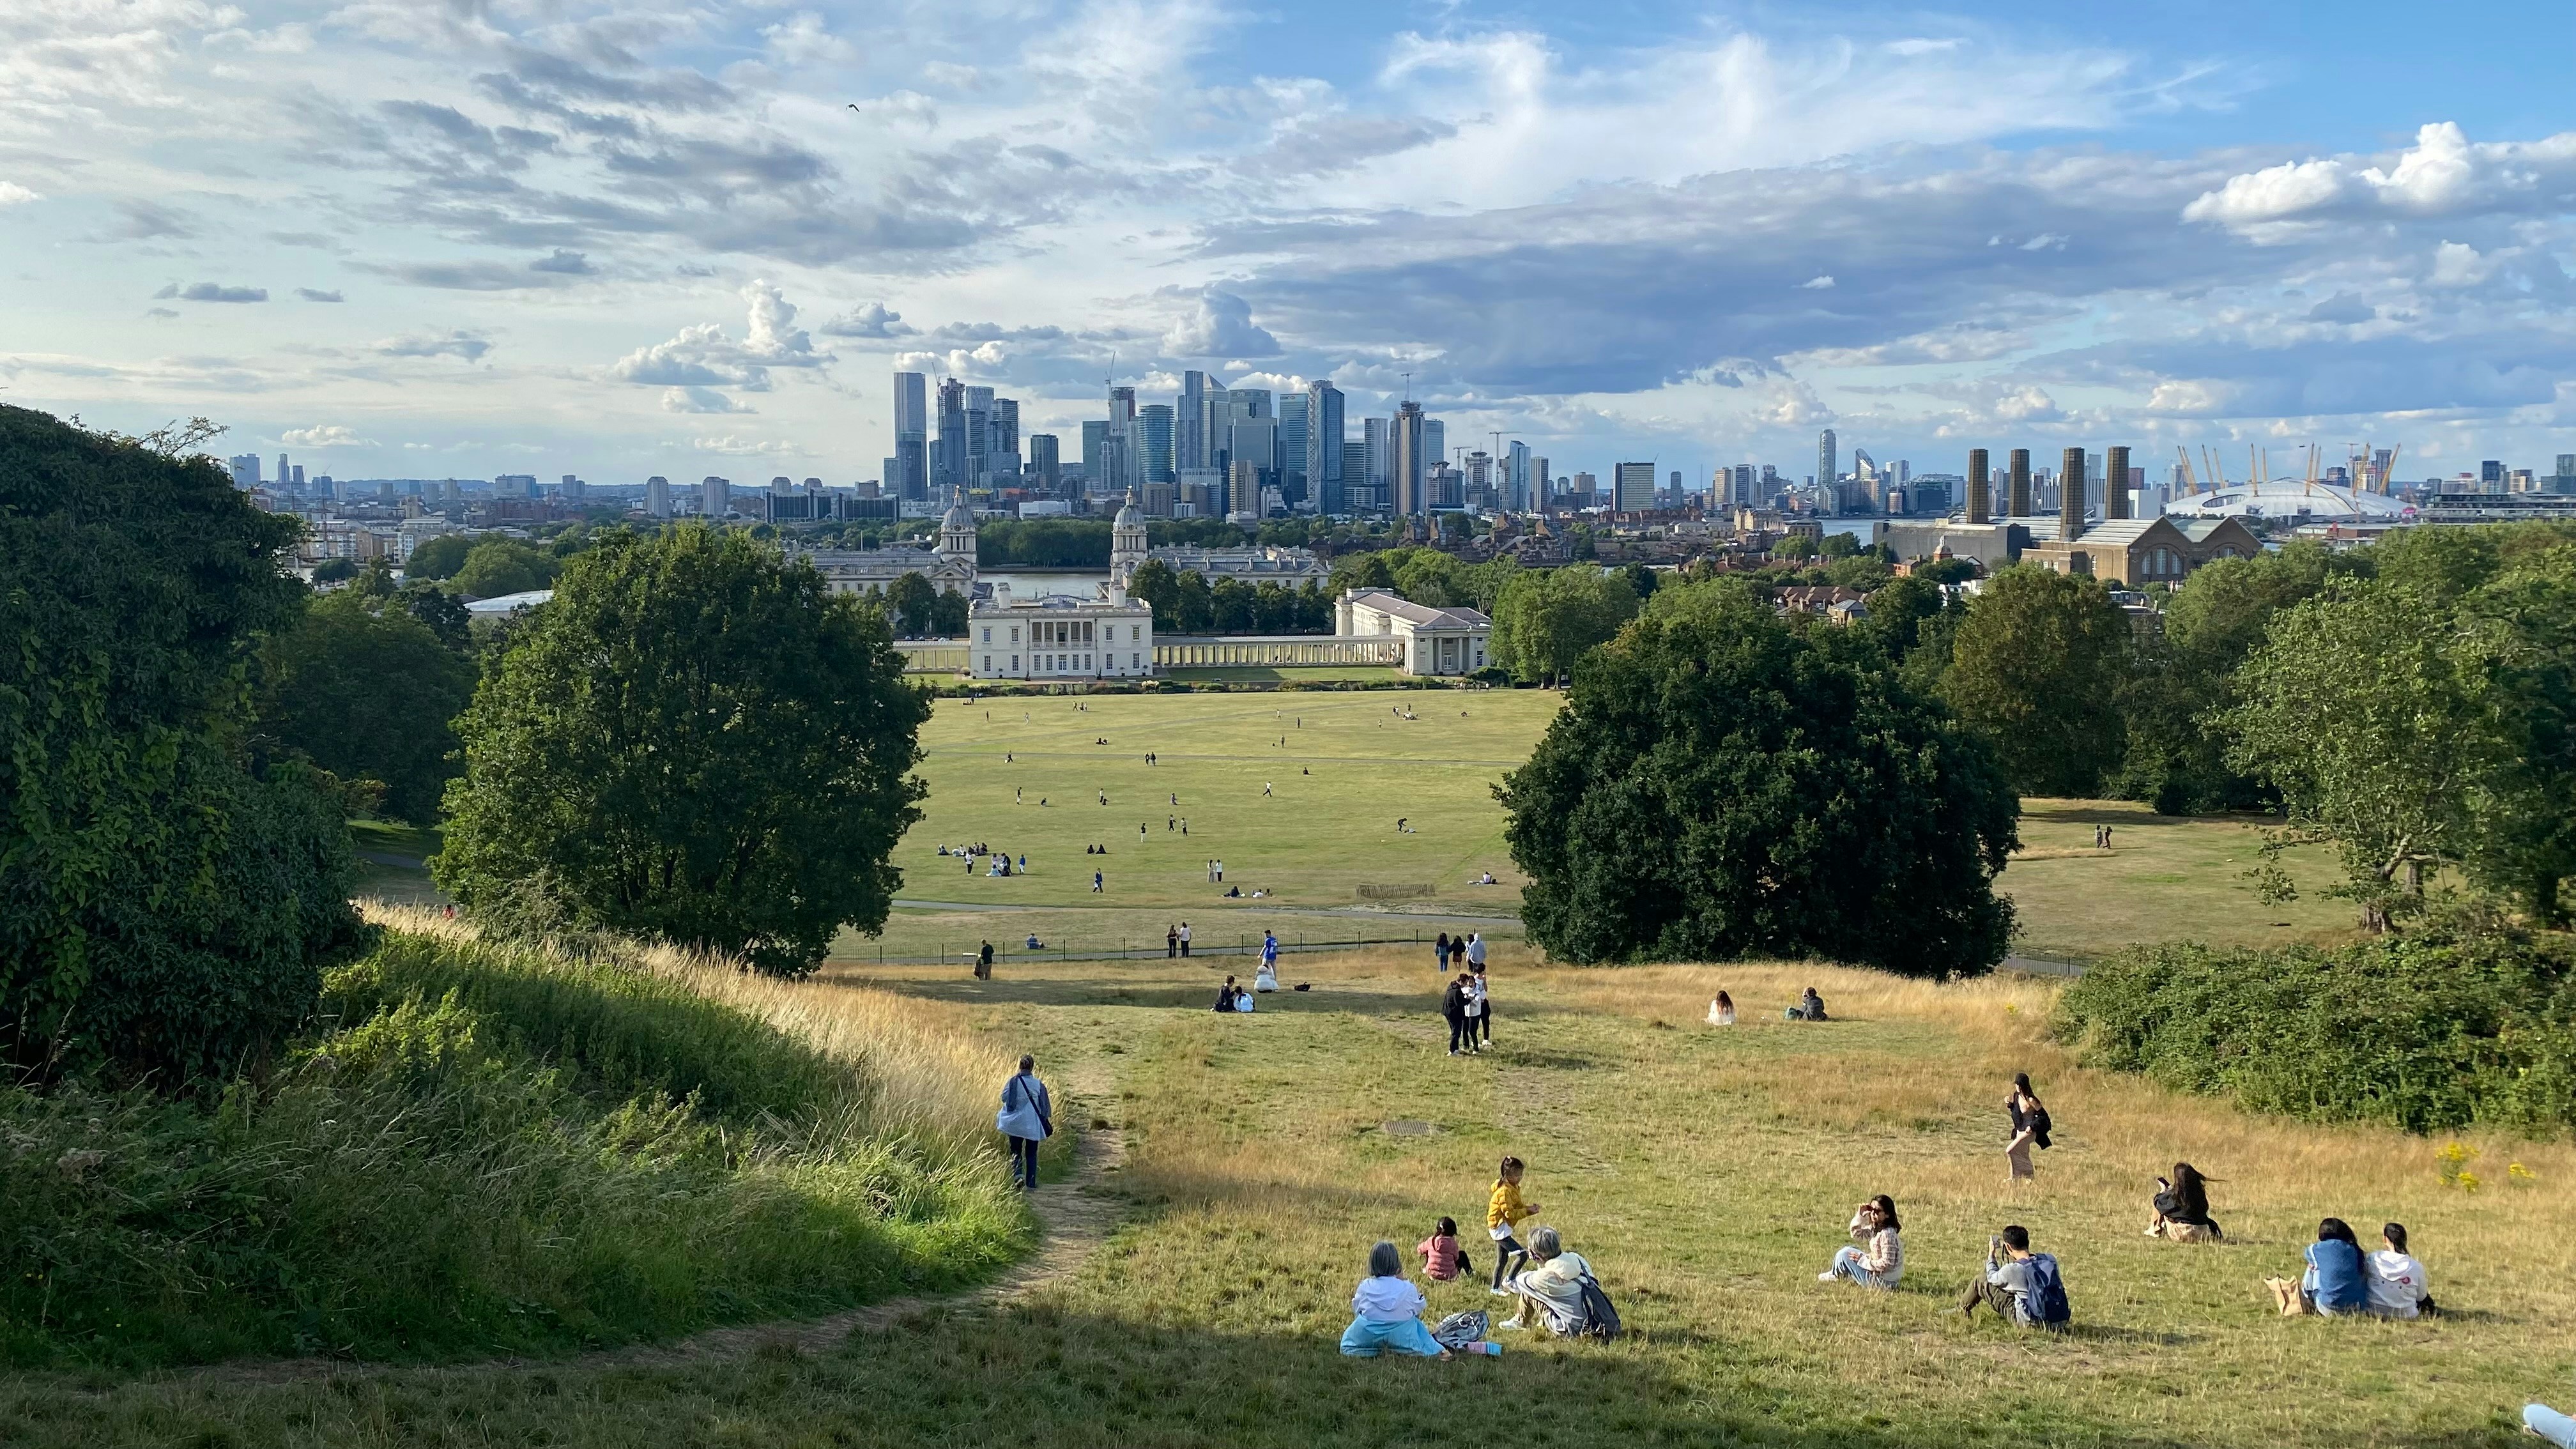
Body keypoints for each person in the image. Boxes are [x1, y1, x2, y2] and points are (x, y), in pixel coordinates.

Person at [1341, 1241, 1491, 1358]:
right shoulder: (1407, 1288)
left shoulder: (1365, 1287)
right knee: (1415, 1323)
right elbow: (1417, 1311)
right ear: (1396, 1263)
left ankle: (1371, 1346)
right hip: (1403, 1336)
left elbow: (1358, 1310)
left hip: (1368, 1335)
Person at [1957, 1225, 2069, 1333]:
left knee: (1980, 1280)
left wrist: (1991, 1256)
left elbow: (1991, 1278)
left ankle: (1961, 1309)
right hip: (2059, 1321)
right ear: (2028, 1242)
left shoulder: (2014, 1269)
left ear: (2008, 1247)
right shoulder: (2050, 1259)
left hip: (2032, 1324)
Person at [1500, 1227, 1594, 1335]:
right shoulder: (1578, 1259)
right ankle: (1524, 1321)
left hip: (1573, 1330)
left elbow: (1517, 1284)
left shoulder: (1543, 1278)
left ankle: (1520, 1322)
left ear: (1537, 1255)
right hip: (1595, 1319)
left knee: (1529, 1291)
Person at [2267, 1218, 2368, 1316]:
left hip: (2328, 1308)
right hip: (2356, 1308)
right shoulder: (2354, 1250)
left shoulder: (2316, 1249)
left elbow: (2308, 1257)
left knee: (2313, 1266)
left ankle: (2306, 1298)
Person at [995, 1055, 1050, 1191]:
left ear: (1020, 1066)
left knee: (1016, 1150)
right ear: (1032, 1067)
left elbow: (1004, 1098)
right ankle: (1031, 1183)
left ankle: (1018, 1175)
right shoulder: (1038, 1084)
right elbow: (1045, 1108)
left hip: (1015, 1124)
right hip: (1032, 1124)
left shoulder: (1013, 1082)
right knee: (1031, 1153)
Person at [1823, 1195, 1903, 1289]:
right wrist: (1860, 1216)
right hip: (1880, 1276)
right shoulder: (1878, 1228)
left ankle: (1837, 1276)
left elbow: (1887, 1264)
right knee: (1847, 1251)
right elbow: (1856, 1234)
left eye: (1877, 1211)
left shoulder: (1887, 1234)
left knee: (1844, 1256)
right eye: (1871, 1209)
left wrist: (1864, 1262)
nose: (1873, 1213)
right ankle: (1837, 1274)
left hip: (1884, 1283)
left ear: (1887, 1214)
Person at [1487, 1156, 1538, 1294]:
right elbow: (1510, 1214)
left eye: (1521, 1174)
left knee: (1502, 1260)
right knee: (1523, 1254)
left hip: (1503, 1228)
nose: (1520, 1178)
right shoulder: (1504, 1192)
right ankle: (1510, 1280)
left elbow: (1518, 1207)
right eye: (1517, 1175)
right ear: (1508, 1175)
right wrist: (1526, 1211)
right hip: (1499, 1229)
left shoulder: (1513, 1187)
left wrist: (1529, 1210)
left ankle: (1495, 1289)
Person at [2366, 1222, 2434, 1319]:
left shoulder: (2373, 1258)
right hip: (2407, 1315)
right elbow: (2421, 1297)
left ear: (2385, 1240)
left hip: (2373, 1310)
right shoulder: (2416, 1266)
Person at [2146, 1162, 2223, 1241]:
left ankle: (2154, 1230)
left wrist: (2164, 1192)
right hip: (2202, 1233)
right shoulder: (2199, 1193)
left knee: (2160, 1203)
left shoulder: (2177, 1196)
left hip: (2181, 1233)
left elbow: (2160, 1204)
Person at [2005, 1072, 2050, 1183]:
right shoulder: (2016, 1096)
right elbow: (2017, 1112)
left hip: (2030, 1131)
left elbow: (2044, 1117)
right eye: (2017, 1084)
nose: (2018, 1087)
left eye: (2020, 1085)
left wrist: (2033, 1126)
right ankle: (2021, 1178)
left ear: (2024, 1086)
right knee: (2022, 1154)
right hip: (2020, 1131)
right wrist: (2010, 1104)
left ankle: (2018, 1177)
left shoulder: (2031, 1100)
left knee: (2010, 1150)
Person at [1418, 1217, 1470, 1283]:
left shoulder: (1431, 1241)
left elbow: (1420, 1250)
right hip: (1449, 1276)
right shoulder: (1453, 1244)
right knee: (1462, 1254)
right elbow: (1456, 1258)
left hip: (1431, 1274)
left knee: (1428, 1251)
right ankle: (1470, 1273)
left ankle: (1428, 1270)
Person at [1443, 972, 1472, 1055]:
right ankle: (1451, 1051)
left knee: (1455, 1031)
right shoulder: (1457, 990)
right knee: (1456, 1032)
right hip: (1453, 1014)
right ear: (1461, 982)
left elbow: (1458, 998)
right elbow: (1459, 1002)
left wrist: (1463, 996)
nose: (1466, 984)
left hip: (1448, 1011)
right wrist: (1469, 1000)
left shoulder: (1452, 986)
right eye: (1465, 983)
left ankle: (1456, 1049)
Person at [1464, 971, 1487, 1050]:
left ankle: (1475, 1048)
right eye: (1469, 982)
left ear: (1474, 983)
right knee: (1464, 1030)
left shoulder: (1477, 991)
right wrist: (1470, 998)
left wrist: (1469, 999)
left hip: (1475, 1014)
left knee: (1472, 1031)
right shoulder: (1465, 990)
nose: (1470, 984)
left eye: (1472, 983)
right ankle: (1466, 1046)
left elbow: (1476, 1002)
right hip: (1466, 1013)